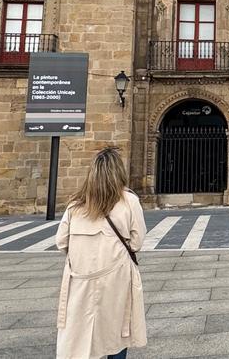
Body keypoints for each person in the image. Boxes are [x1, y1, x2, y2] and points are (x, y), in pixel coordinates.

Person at [55, 147, 147, 359]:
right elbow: (137, 242)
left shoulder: (75, 205)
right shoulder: (129, 201)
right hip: (117, 278)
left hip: (80, 280)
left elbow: (61, 242)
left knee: (78, 335)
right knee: (116, 331)